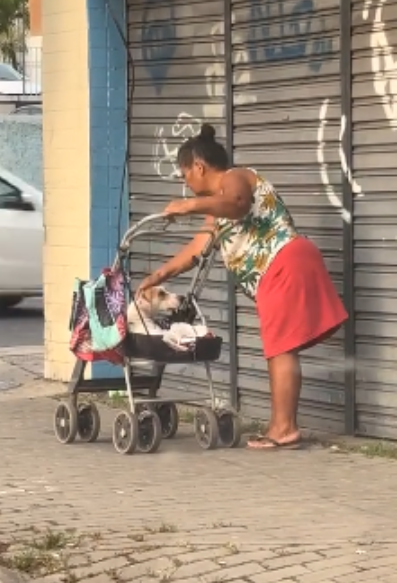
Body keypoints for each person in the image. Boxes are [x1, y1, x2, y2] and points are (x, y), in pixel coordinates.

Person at [137, 124, 348, 451]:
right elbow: (197, 250)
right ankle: (282, 426)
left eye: (184, 176)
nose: (186, 185)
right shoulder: (215, 211)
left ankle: (284, 429)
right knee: (279, 347)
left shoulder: (235, 178)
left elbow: (237, 202)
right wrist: (158, 276)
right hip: (279, 269)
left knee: (280, 349)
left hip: (283, 263)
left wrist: (188, 206)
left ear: (199, 166)